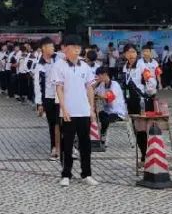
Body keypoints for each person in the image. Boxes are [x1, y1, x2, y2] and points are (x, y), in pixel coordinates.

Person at [54, 35, 98, 187]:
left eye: (79, 48)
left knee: (85, 144)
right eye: (73, 47)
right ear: (65, 49)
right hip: (68, 112)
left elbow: (90, 88)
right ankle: (66, 174)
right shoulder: (59, 65)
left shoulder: (85, 66)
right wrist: (63, 109)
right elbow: (58, 88)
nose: (77, 50)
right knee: (67, 144)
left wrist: (91, 109)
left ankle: (87, 174)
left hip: (84, 111)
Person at [33, 37, 60, 160]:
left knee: (65, 123)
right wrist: (39, 103)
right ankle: (54, 148)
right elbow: (37, 85)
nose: (53, 48)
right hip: (48, 98)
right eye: (50, 46)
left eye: (53, 46)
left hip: (61, 97)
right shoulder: (39, 65)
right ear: (43, 48)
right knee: (53, 123)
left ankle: (67, 148)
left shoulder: (59, 59)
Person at [95, 67, 126, 146]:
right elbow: (93, 91)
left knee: (106, 119)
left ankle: (103, 135)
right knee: (100, 114)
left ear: (105, 75)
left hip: (117, 112)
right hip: (107, 111)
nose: (98, 77)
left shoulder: (114, 84)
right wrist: (96, 83)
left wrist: (99, 95)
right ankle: (102, 135)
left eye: (99, 76)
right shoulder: (102, 84)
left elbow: (110, 97)